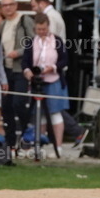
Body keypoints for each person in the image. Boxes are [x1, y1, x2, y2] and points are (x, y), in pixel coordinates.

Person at [22, 12, 67, 151]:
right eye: (39, 29)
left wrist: (52, 67)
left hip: (53, 80)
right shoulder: (31, 42)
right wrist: (28, 72)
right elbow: (25, 62)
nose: (42, 32)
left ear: (48, 27)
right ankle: (39, 145)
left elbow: (65, 60)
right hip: (37, 82)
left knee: (55, 113)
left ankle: (58, 146)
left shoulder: (57, 41)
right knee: (38, 114)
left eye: (44, 29)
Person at [0, 0, 33, 150]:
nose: (8, 8)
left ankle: (27, 134)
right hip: (6, 69)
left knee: (18, 103)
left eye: (10, 4)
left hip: (20, 68)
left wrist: (18, 52)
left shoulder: (24, 20)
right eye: (5, 5)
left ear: (16, 5)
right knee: (6, 107)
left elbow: (33, 42)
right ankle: (10, 141)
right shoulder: (2, 25)